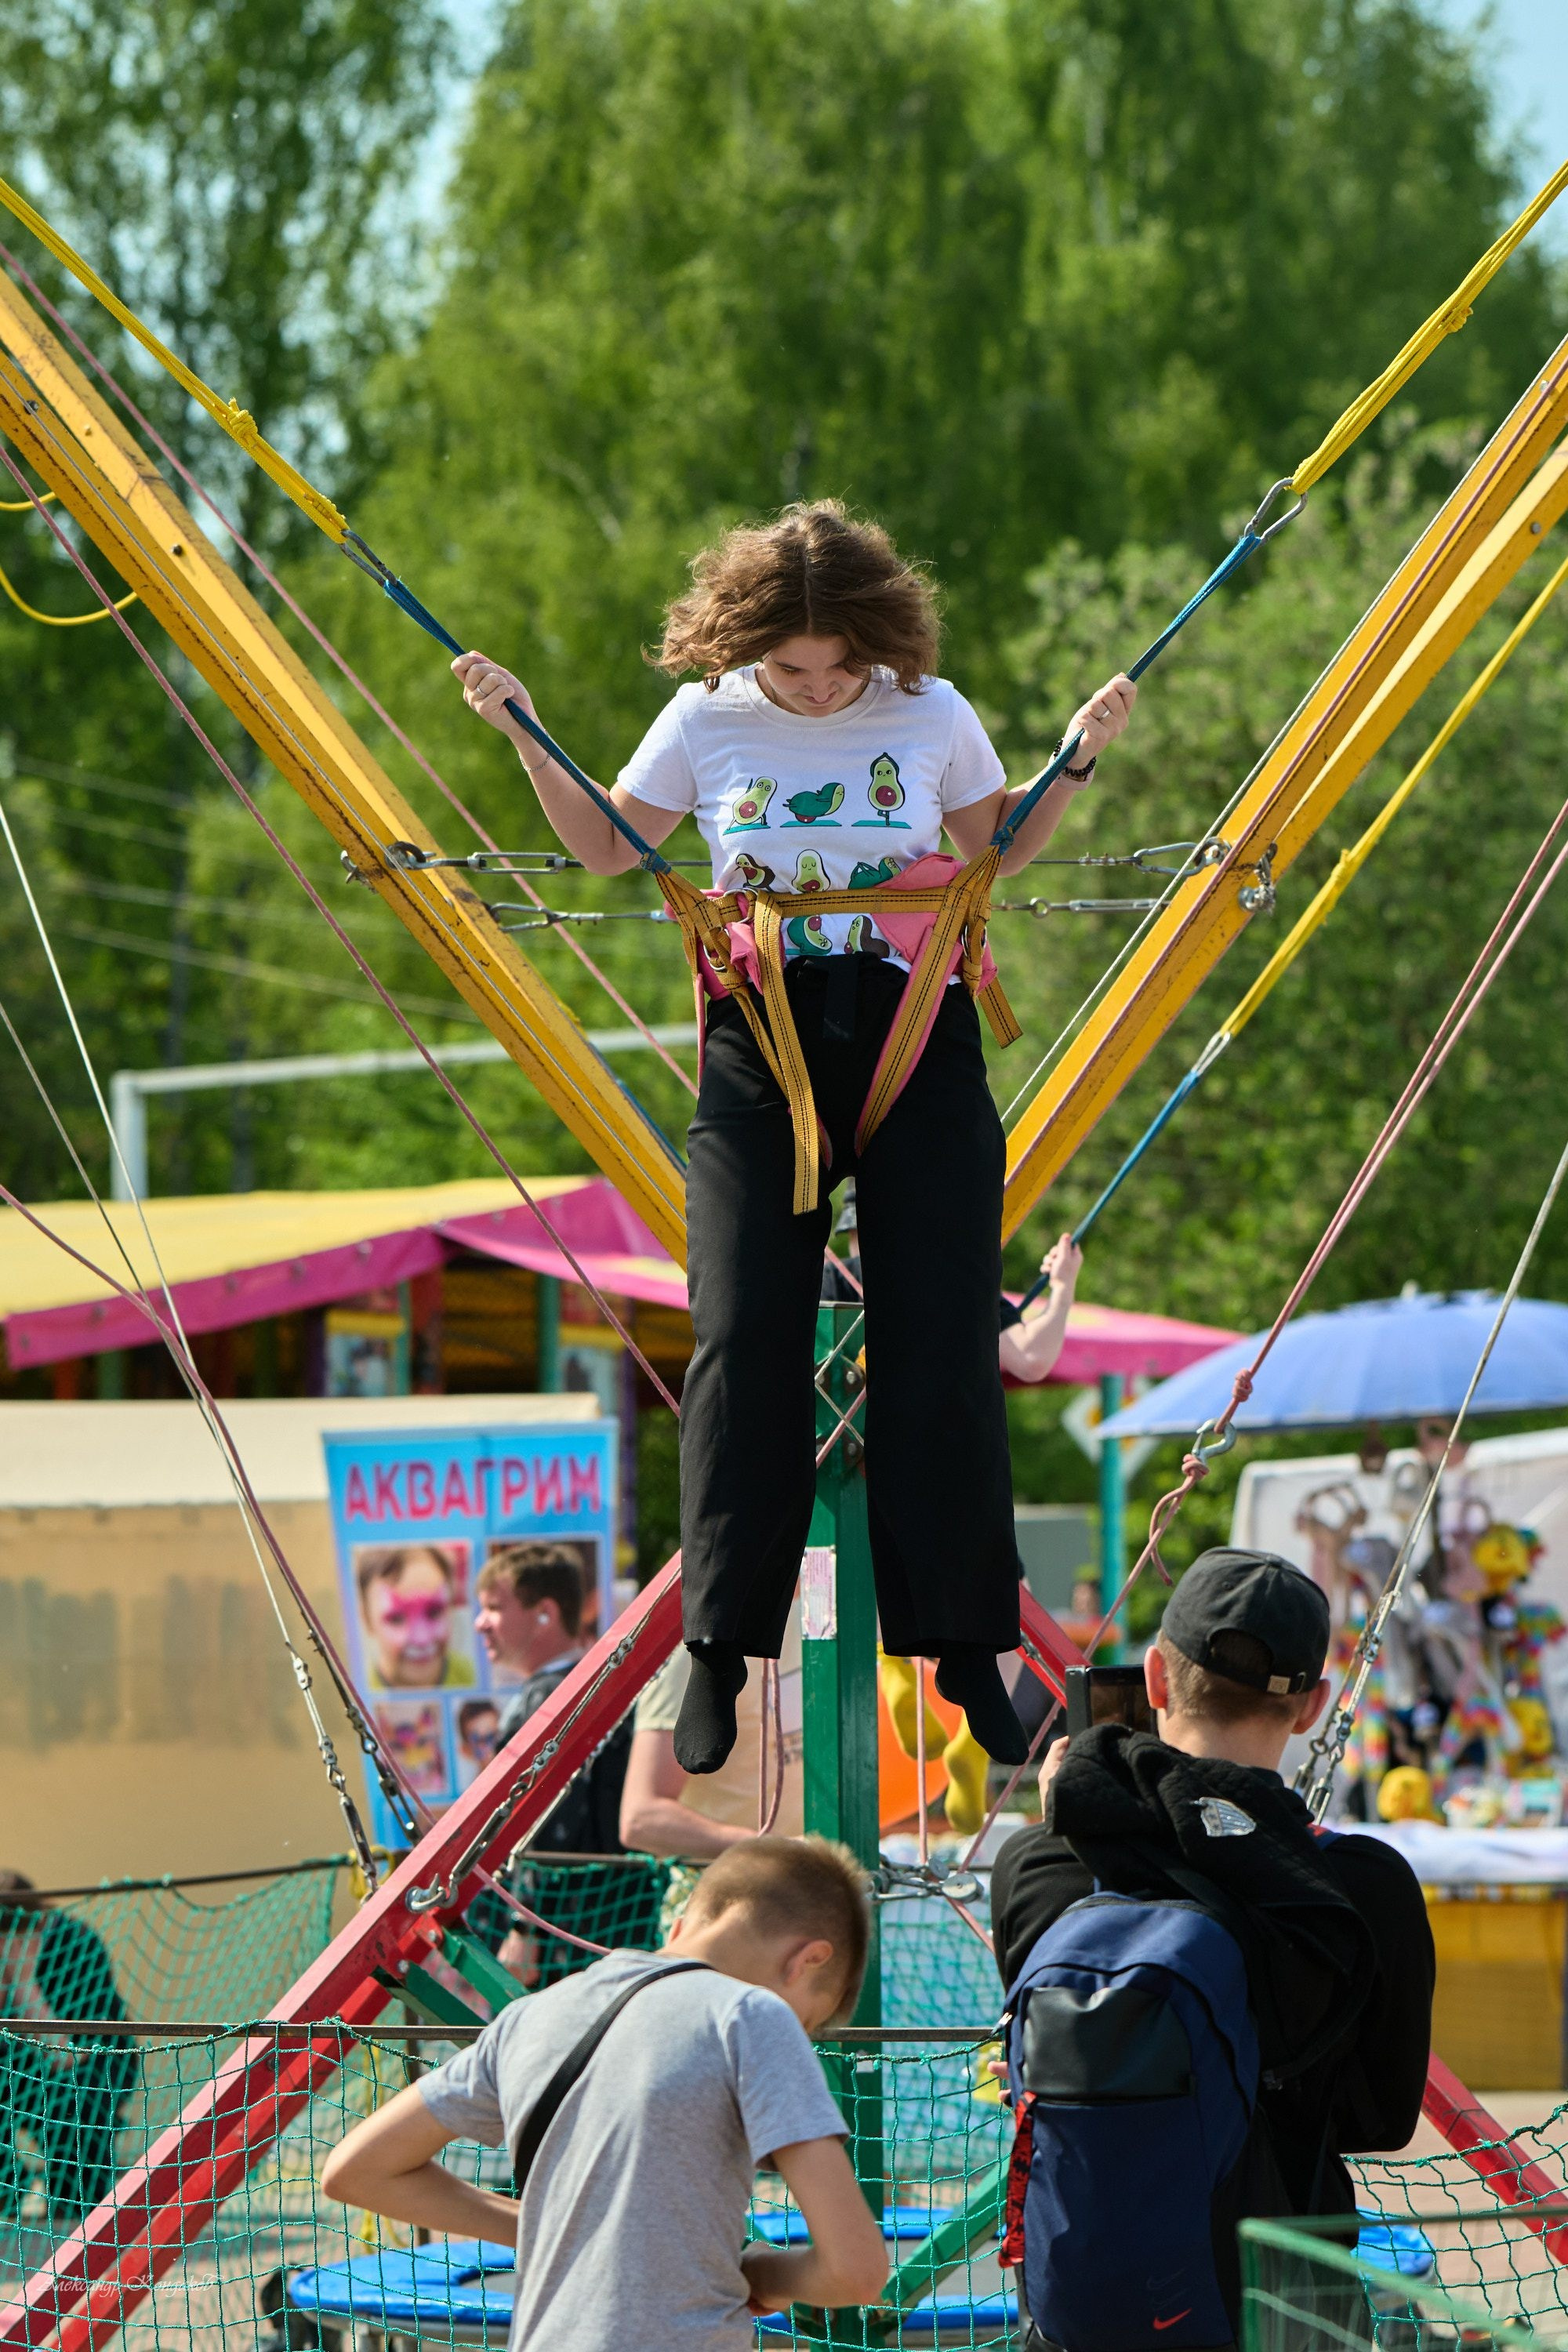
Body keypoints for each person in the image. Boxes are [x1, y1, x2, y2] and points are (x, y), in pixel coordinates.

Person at [452, 499, 1135, 1777]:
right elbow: (607, 846)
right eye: (791, 670)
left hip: (914, 1026)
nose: (819, 692)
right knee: (744, 1326)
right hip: (760, 1034)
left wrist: (1077, 758)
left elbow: (998, 843)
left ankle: (969, 1648)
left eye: (841, 668)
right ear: (745, 648)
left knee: (942, 1330)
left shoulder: (932, 712)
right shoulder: (708, 719)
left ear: (880, 642)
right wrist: (523, 730)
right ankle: (721, 1643)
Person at [990, 1549, 1433, 2347]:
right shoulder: (1360, 1887)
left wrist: (1067, 1813)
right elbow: (1380, 2116)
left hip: (1084, 2301)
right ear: (1309, 1708)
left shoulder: (1040, 1865)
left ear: (1156, 1680)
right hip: (1284, 2296)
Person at [320, 1837, 889, 2350]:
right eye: (808, 2021)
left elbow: (354, 2170)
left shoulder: (529, 2019)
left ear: (680, 1926)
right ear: (809, 1959)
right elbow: (857, 2269)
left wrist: (539, 2225)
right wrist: (760, 2274)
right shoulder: (750, 2015)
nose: (799, 2033)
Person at [469, 1543, 644, 1983]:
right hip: (607, 1921)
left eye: (494, 1607)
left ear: (545, 1613)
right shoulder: (598, 1684)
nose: (479, 1623)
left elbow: (547, 1819)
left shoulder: (547, 1699)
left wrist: (526, 1927)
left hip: (566, 1937)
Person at [0, 1872, 138, 2225]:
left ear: (38, 1922)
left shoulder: (75, 1946)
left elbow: (70, 2057)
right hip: (17, 2066)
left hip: (85, 2069)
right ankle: (8, 2189)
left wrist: (23, 1984)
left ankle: (71, 2196)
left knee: (76, 2187)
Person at [357, 1544, 474, 1690]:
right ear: (366, 1619)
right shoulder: (359, 1693)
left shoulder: (472, 1679)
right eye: (396, 1619)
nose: (421, 1639)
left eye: (434, 1612)